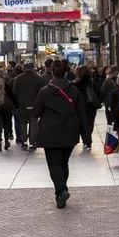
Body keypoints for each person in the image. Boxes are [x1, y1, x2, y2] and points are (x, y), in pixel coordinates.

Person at [33, 62, 88, 208]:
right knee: (64, 162)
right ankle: (61, 193)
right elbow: (82, 113)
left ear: (52, 73)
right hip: (69, 131)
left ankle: (61, 190)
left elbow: (36, 112)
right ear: (65, 73)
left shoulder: (45, 91)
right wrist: (86, 135)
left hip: (50, 132)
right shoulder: (74, 90)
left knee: (54, 164)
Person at [13, 59, 44, 150]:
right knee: (33, 123)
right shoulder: (38, 77)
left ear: (24, 67)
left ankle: (24, 141)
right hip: (34, 104)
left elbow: (14, 92)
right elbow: (41, 92)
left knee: (22, 123)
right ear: (33, 66)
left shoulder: (18, 78)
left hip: (22, 104)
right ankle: (32, 142)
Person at [73, 65, 101, 152]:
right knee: (90, 122)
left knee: (83, 122)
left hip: (80, 104)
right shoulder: (92, 82)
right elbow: (99, 93)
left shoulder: (76, 83)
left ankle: (86, 140)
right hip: (91, 104)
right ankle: (88, 139)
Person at [8, 64, 23, 144]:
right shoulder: (24, 79)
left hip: (15, 103)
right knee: (23, 121)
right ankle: (24, 136)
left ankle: (18, 137)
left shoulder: (12, 80)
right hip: (24, 103)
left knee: (17, 121)